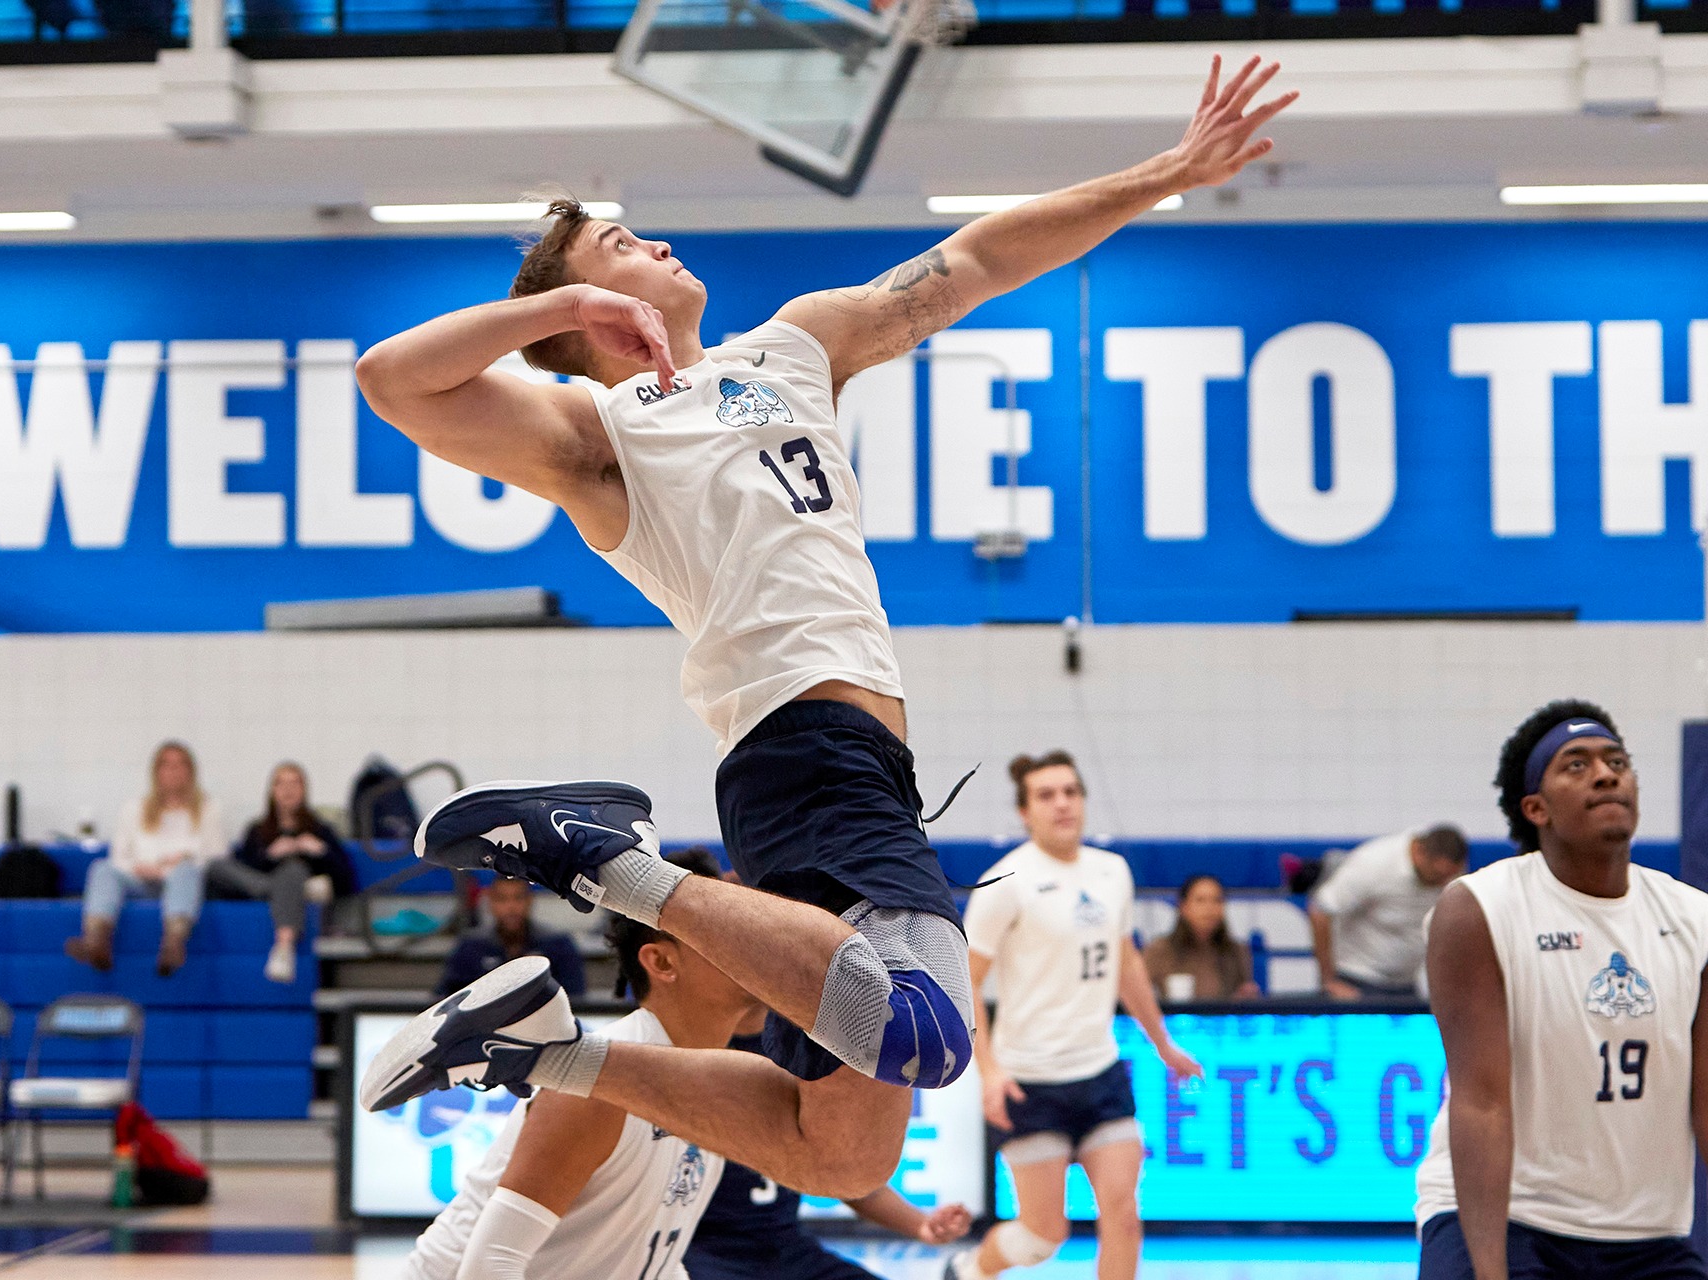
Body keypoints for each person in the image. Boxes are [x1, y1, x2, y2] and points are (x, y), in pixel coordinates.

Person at [353, 56, 1295, 1200]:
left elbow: (983, 259)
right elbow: (391, 380)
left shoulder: (793, 344)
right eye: (619, 244)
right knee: (932, 1033)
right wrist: (556, 305)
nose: (650, 245)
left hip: (837, 767)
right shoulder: (603, 429)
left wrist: (1171, 172)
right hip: (804, 739)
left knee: (840, 1149)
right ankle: (601, 858)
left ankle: (540, 1051)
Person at [1416, 700, 1708, 1279]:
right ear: (1536, 808)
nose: (1605, 774)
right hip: (1511, 1216)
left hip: (1648, 1231)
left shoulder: (1694, 916)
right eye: (1576, 765)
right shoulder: (1479, 908)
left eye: (1617, 761)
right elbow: (1481, 1103)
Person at [398, 851, 747, 1280]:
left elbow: (651, 1257)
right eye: (725, 931)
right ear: (662, 962)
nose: (751, 945)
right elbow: (490, 1265)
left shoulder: (715, 1082)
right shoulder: (601, 1085)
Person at [946, 752, 1199, 1280]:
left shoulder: (1113, 871)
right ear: (1025, 811)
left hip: (1100, 1073)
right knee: (1043, 1237)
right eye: (1046, 795)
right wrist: (989, 1073)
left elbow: (1126, 962)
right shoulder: (1006, 881)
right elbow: (963, 983)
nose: (1062, 803)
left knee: (1124, 1216)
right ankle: (969, 1269)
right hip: (1030, 1083)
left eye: (1070, 791)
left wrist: (1163, 1043)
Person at [686, 1004, 972, 1280]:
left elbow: (841, 1170)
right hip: (698, 1249)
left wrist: (921, 1224)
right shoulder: (680, 1047)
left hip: (786, 1248)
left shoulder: (798, 1042)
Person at [65, 741, 227, 977]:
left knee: (186, 871)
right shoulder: (133, 809)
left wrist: (179, 862)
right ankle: (96, 940)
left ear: (191, 772)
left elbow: (218, 858)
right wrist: (140, 868)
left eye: (180, 765)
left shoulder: (209, 809)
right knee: (103, 868)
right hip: (140, 879)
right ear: (156, 772)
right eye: (167, 765)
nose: (173, 771)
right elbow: (119, 856)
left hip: (184, 882)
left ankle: (173, 942)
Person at [207, 761, 355, 983]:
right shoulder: (257, 830)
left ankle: (284, 946)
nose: (288, 790)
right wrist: (270, 856)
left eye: (294, 783)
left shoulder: (320, 830)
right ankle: (286, 890)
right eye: (281, 783)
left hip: (296, 879)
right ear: (272, 790)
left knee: (293, 869)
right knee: (215, 866)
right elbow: (242, 870)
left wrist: (320, 852)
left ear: (304, 790)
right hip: (262, 885)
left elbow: (347, 881)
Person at [1310, 824, 1468, 999]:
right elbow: (1321, 910)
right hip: (1357, 982)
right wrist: (1327, 981)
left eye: (1450, 876)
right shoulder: (1373, 864)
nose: (1443, 883)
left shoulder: (1447, 870)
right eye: (1438, 875)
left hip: (1407, 984)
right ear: (1419, 853)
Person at [439, 876, 588, 1000]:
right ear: (491, 903)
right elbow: (447, 998)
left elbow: (576, 998)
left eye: (518, 898)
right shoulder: (471, 946)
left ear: (530, 901)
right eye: (502, 899)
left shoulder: (557, 944)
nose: (511, 907)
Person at [1141, 873, 1259, 1002]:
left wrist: (1245, 998)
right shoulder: (1159, 950)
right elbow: (1136, 994)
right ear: (1184, 907)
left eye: (1217, 900)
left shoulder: (1237, 951)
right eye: (1200, 900)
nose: (1209, 908)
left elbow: (1245, 1000)